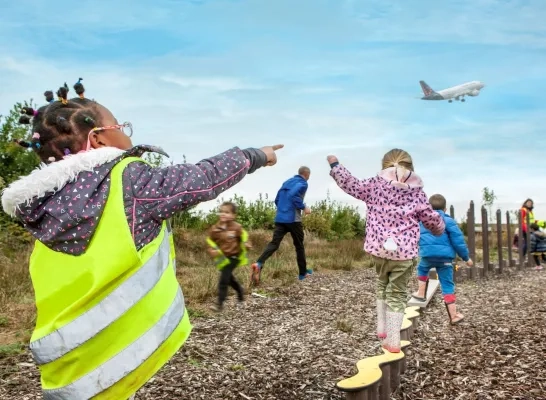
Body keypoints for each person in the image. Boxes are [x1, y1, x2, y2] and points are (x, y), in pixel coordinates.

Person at [1, 79, 283, 400]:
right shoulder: (129, 181)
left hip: (67, 362)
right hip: (115, 349)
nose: (126, 133)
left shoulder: (46, 203)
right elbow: (200, 179)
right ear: (99, 137)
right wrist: (256, 155)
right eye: (121, 125)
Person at [327, 149, 445, 353]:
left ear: (384, 166)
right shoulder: (417, 192)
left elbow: (351, 184)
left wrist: (336, 167)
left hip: (379, 249)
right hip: (404, 253)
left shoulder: (374, 185)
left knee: (382, 282)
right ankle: (393, 340)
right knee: (397, 294)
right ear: (410, 167)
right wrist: (439, 228)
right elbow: (430, 218)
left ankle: (382, 329)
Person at [412, 194, 473, 324]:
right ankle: (453, 316)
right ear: (445, 209)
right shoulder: (448, 221)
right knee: (447, 284)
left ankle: (421, 293)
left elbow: (414, 237)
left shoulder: (422, 221)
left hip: (427, 255)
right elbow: (458, 242)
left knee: (422, 269)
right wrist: (466, 257)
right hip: (445, 259)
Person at [251, 166, 312, 284]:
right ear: (307, 174)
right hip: (293, 220)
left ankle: (259, 263)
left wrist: (283, 210)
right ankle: (302, 273)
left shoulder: (287, 182)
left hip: (280, 218)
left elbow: (277, 200)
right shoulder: (303, 183)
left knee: (274, 243)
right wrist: (304, 207)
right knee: (299, 246)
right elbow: (294, 196)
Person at [206, 201, 251, 311]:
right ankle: (240, 291)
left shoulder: (237, 228)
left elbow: (245, 239)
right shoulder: (215, 229)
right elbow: (210, 242)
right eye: (221, 212)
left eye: (227, 212)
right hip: (222, 259)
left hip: (234, 257)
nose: (223, 214)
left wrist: (247, 245)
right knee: (230, 279)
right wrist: (211, 251)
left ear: (233, 215)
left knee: (223, 280)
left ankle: (219, 304)